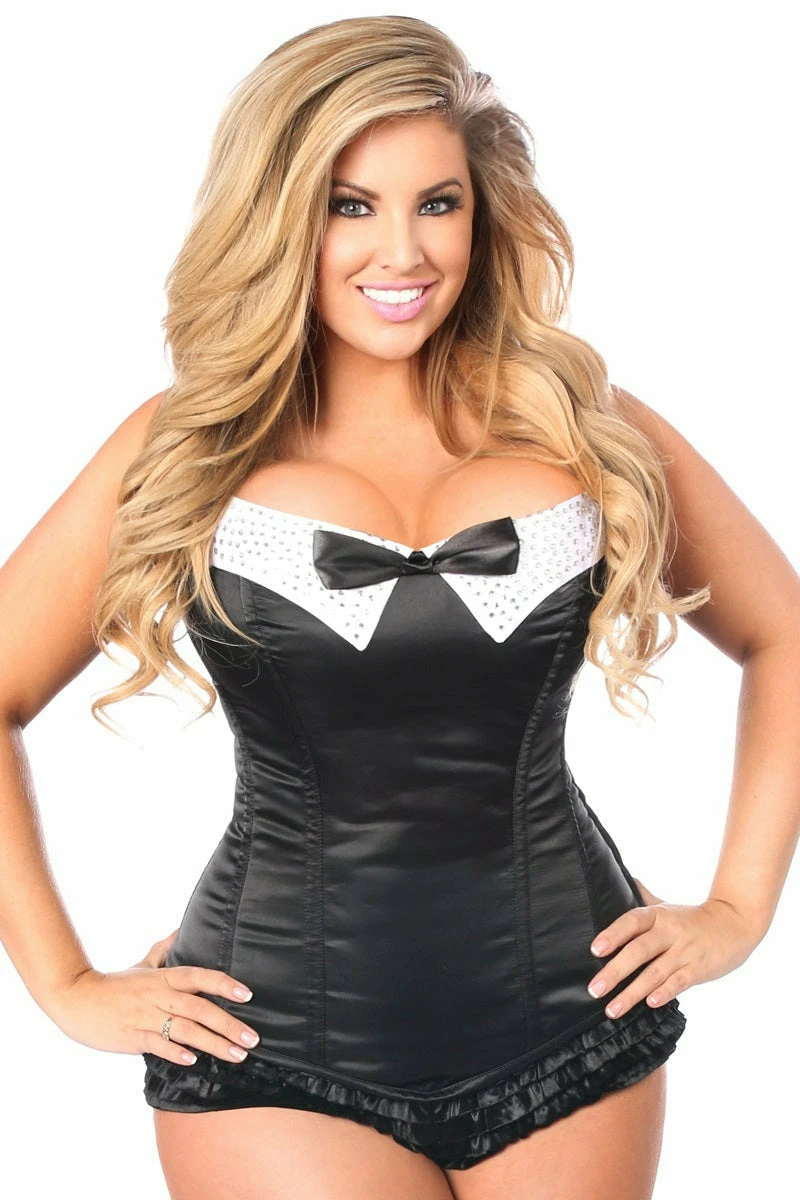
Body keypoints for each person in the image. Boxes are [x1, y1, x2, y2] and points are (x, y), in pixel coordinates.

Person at [1, 13, 798, 1200]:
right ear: (280, 215)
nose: (403, 251)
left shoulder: (582, 425)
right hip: (270, 1042)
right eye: (349, 205)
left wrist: (737, 908)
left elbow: (781, 633)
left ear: (481, 215)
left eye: (437, 203)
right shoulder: (186, 448)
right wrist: (62, 985)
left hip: (570, 1020)